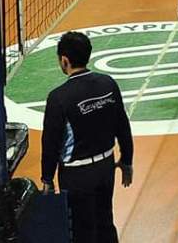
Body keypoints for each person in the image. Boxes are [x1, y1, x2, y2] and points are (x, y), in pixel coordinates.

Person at [41, 31, 133, 243]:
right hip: (106, 167)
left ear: (64, 60)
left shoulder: (58, 98)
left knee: (81, 232)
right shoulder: (108, 83)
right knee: (105, 223)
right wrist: (127, 160)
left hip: (76, 175)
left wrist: (47, 178)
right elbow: (122, 125)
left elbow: (50, 143)